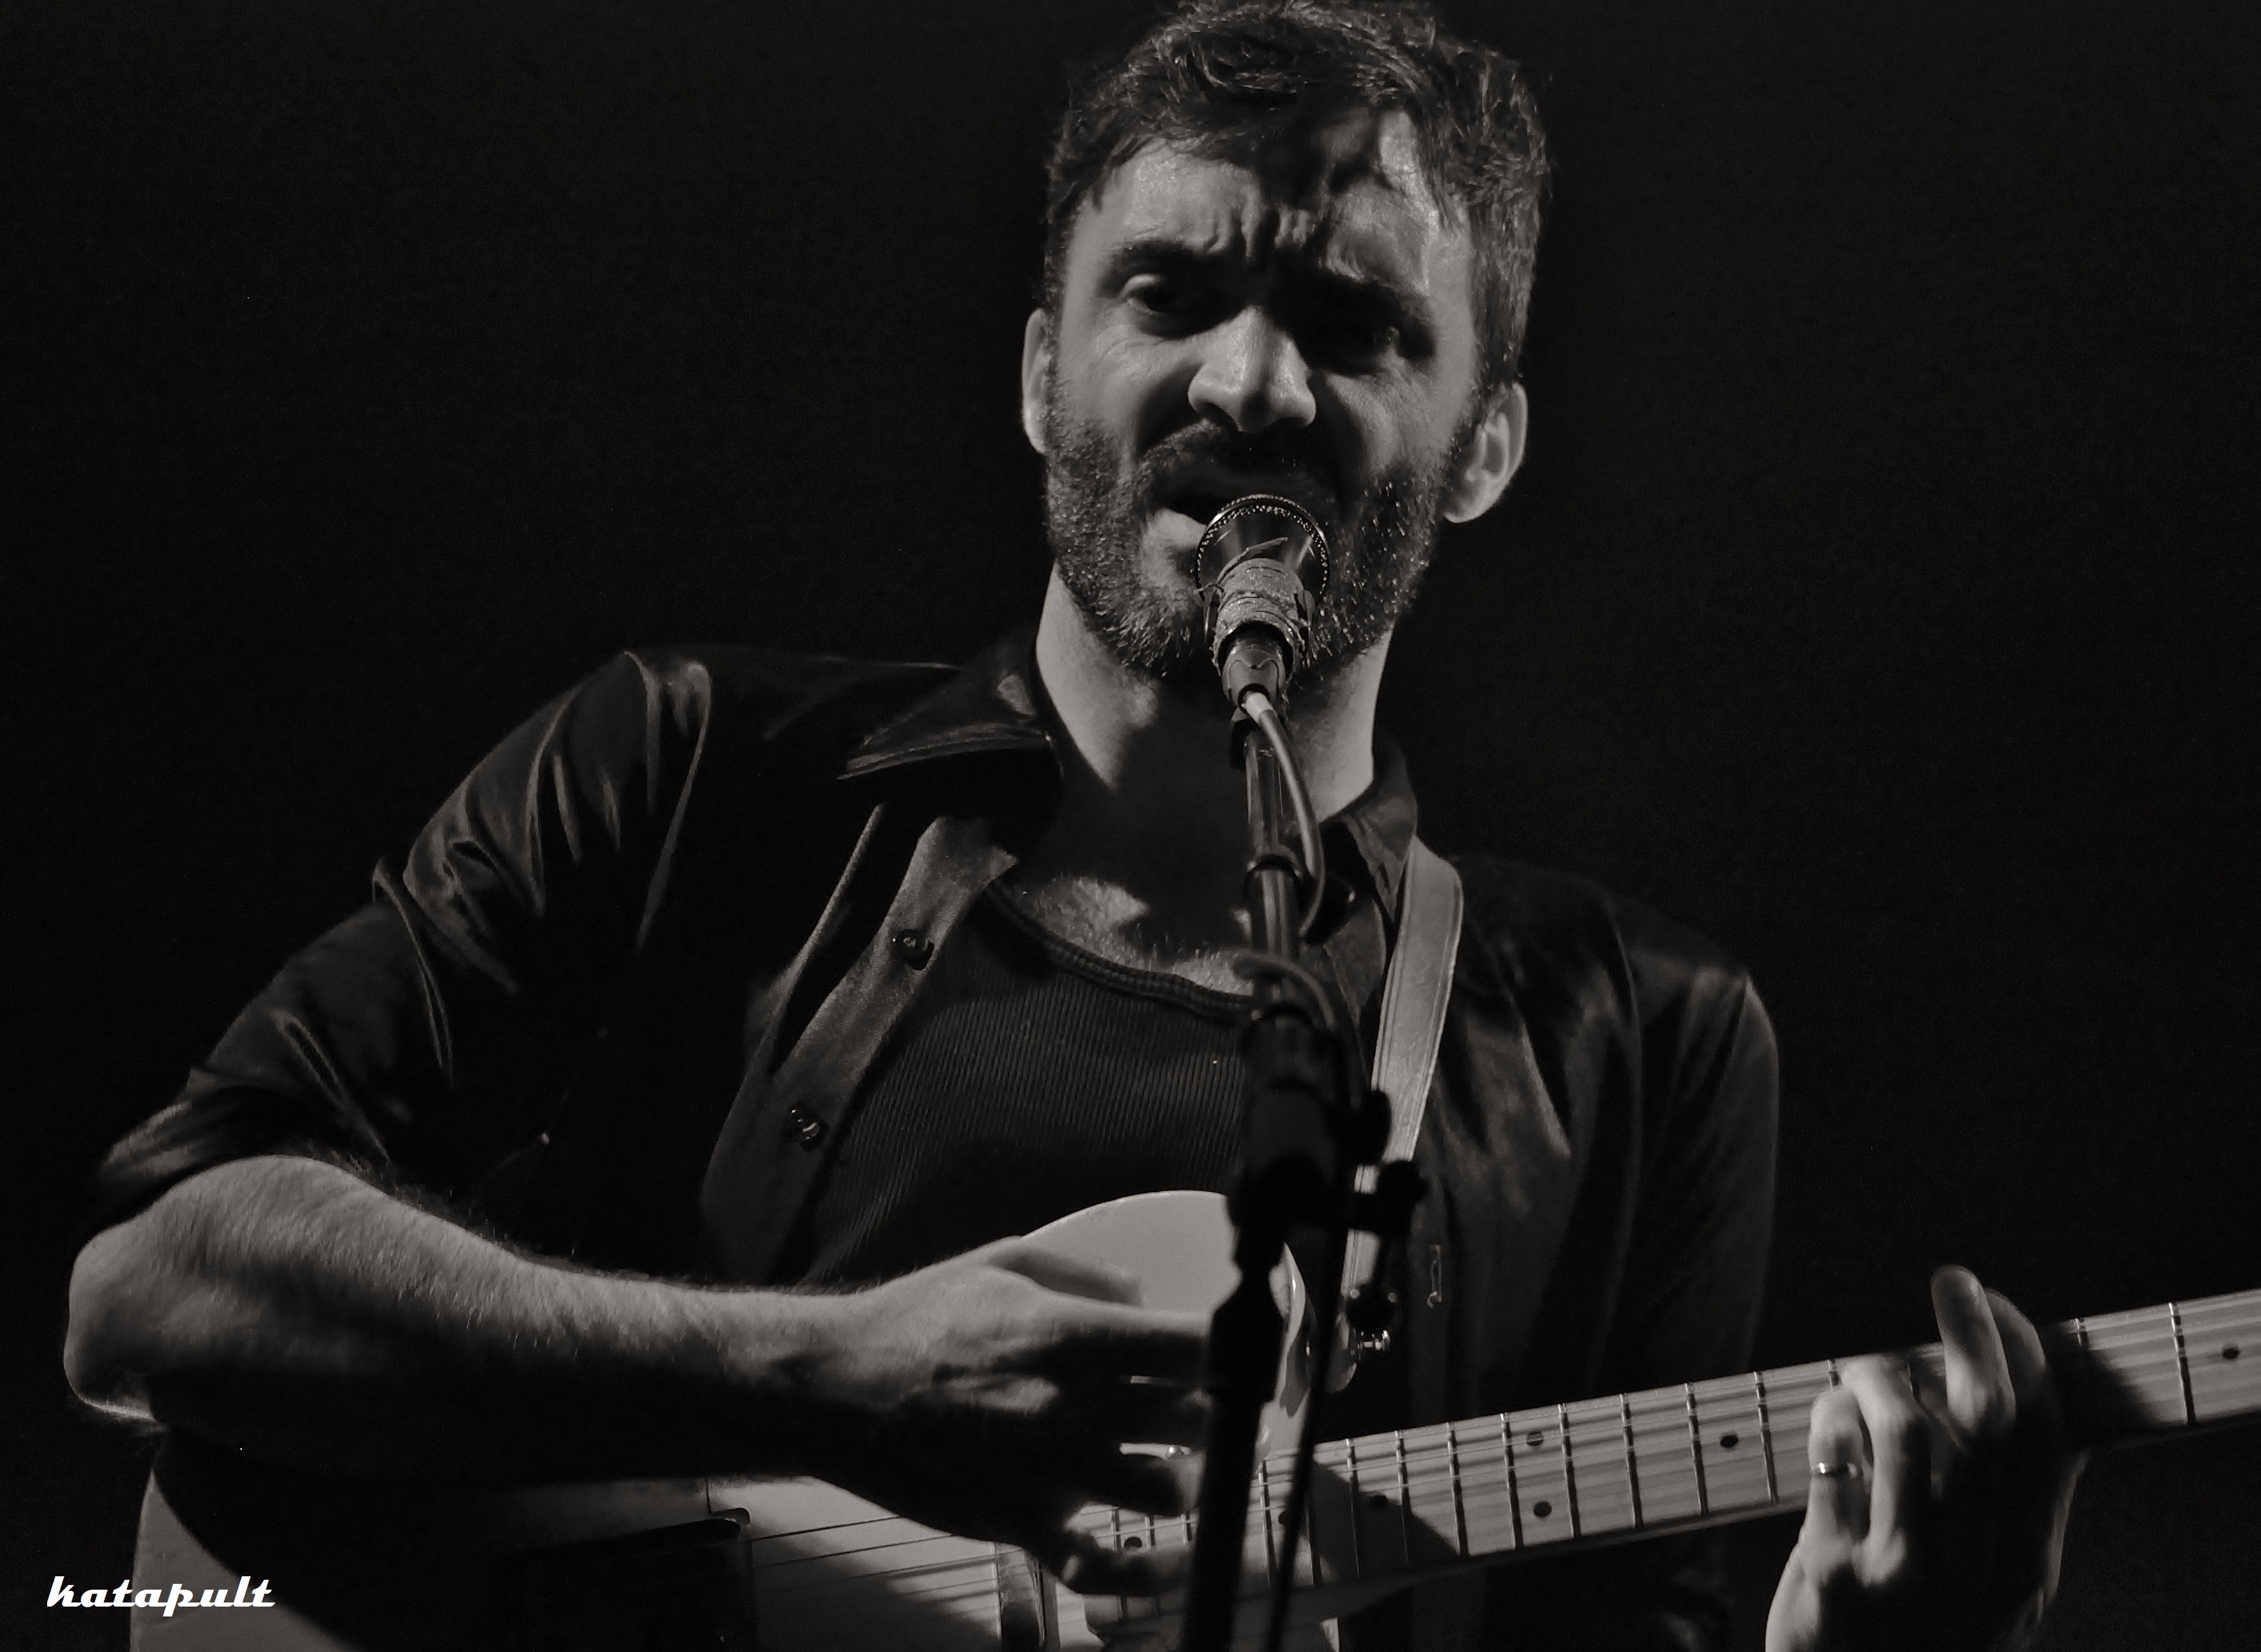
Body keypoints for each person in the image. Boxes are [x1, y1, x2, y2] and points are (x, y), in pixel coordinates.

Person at [63, 2, 2079, 1647]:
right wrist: (826, 1372)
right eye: (1169, 289)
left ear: (1483, 445)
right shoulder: (684, 765)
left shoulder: (1645, 1038)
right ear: (1046, 372)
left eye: (1355, 324)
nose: (1251, 379)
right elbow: (150, 1293)